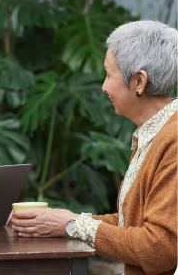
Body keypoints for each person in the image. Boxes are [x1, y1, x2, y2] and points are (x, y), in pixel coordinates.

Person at [11, 20, 177, 275]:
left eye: (109, 74)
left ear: (139, 82)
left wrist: (74, 225)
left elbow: (158, 248)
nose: (103, 86)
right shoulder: (155, 132)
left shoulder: (173, 139)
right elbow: (130, 224)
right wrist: (62, 222)